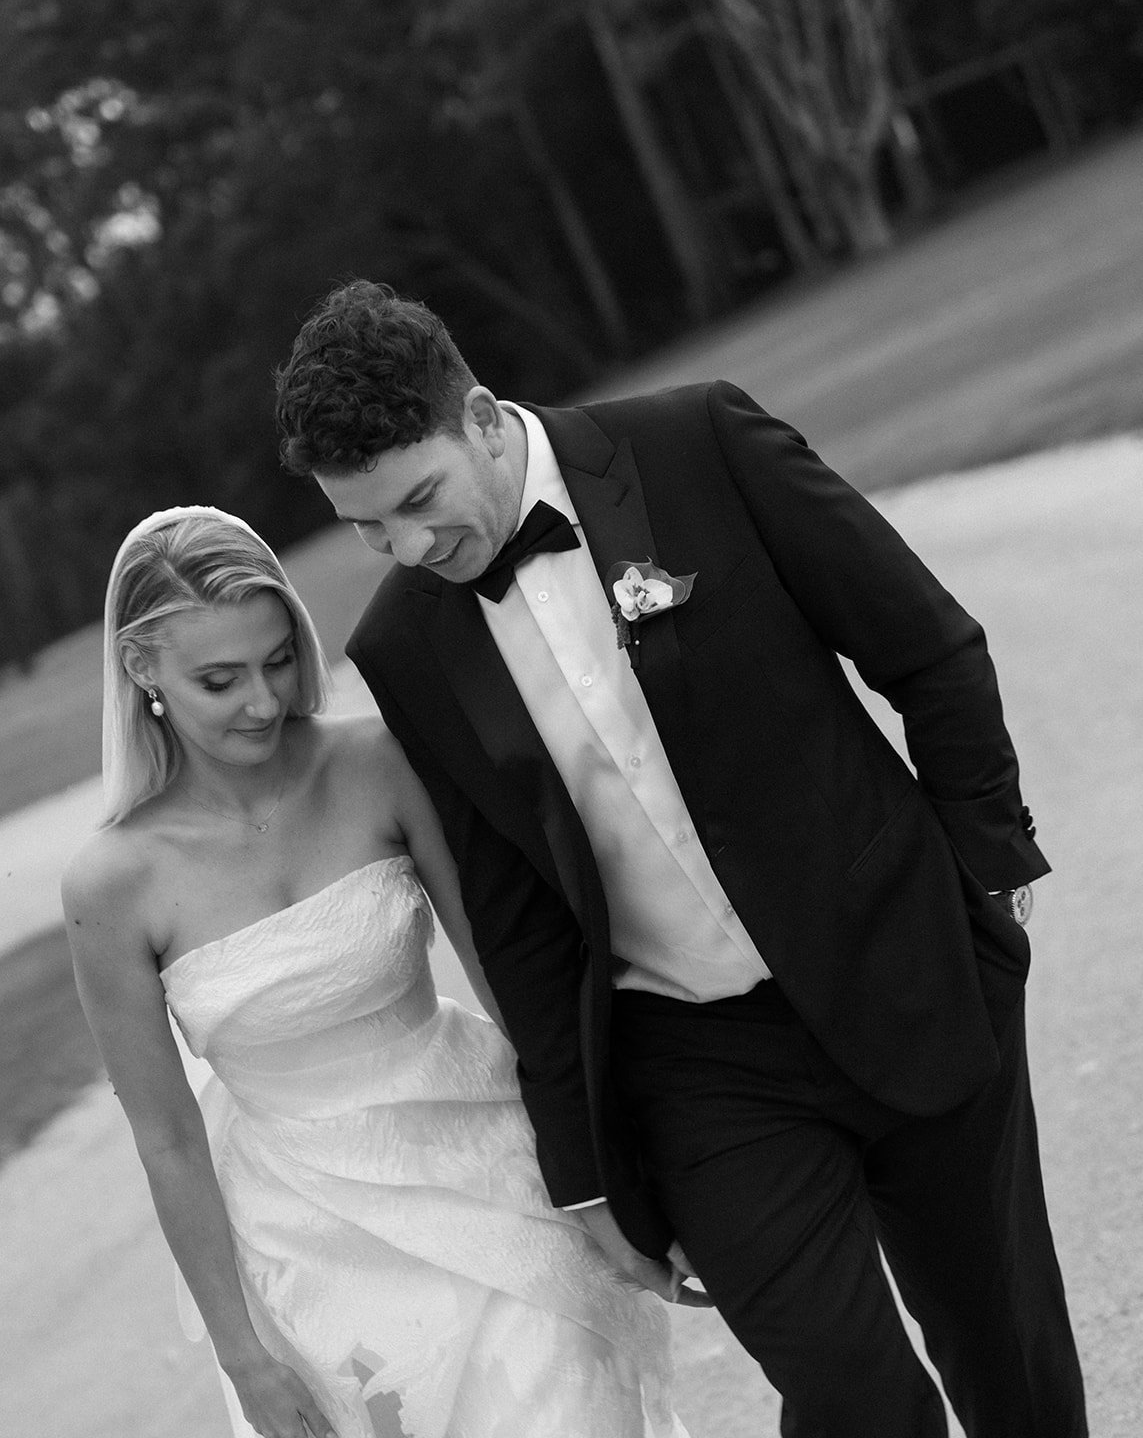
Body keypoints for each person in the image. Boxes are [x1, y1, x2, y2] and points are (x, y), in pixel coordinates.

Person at [274, 279, 1089, 1438]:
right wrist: (588, 1171)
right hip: (702, 1069)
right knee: (853, 1397)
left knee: (1008, 1354)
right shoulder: (403, 644)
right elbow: (516, 922)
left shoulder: (700, 444)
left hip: (904, 963)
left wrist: (987, 872)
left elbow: (927, 647)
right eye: (367, 527)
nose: (408, 547)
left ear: (484, 419)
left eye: (418, 500)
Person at [63, 505, 695, 1438]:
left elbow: (505, 982)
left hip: (485, 1159)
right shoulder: (112, 885)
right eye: (220, 680)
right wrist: (244, 1358)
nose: (263, 702)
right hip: (304, 1235)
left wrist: (610, 1174)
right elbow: (167, 1140)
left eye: (280, 660)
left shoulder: (376, 761)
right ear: (141, 668)